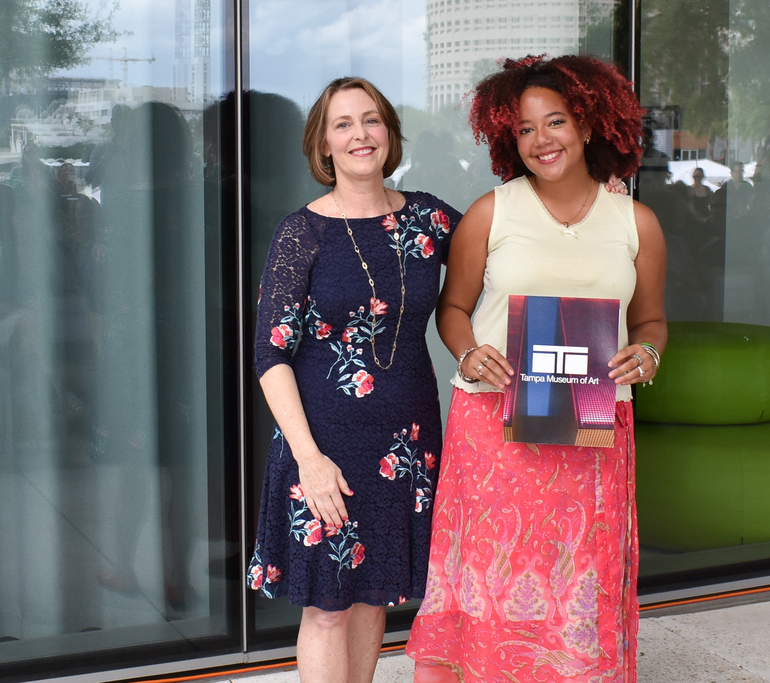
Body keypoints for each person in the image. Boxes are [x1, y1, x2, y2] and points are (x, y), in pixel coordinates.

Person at [406, 54, 667, 682]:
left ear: (589, 122)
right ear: (507, 138)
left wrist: (649, 353)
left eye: (556, 121)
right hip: (495, 426)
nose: (542, 140)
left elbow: (652, 321)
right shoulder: (491, 213)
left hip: (592, 430)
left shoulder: (635, 221)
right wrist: (468, 351)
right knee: (494, 576)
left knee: (581, 576)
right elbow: (453, 308)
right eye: (525, 129)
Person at [245, 77, 461, 683]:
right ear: (324, 143)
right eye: (343, 124)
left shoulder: (429, 217)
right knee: (327, 610)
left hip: (406, 442)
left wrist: (592, 189)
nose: (360, 134)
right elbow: (271, 356)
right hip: (323, 445)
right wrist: (308, 460)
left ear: (388, 132)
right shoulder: (302, 233)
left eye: (371, 120)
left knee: (374, 597)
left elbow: (508, 245)